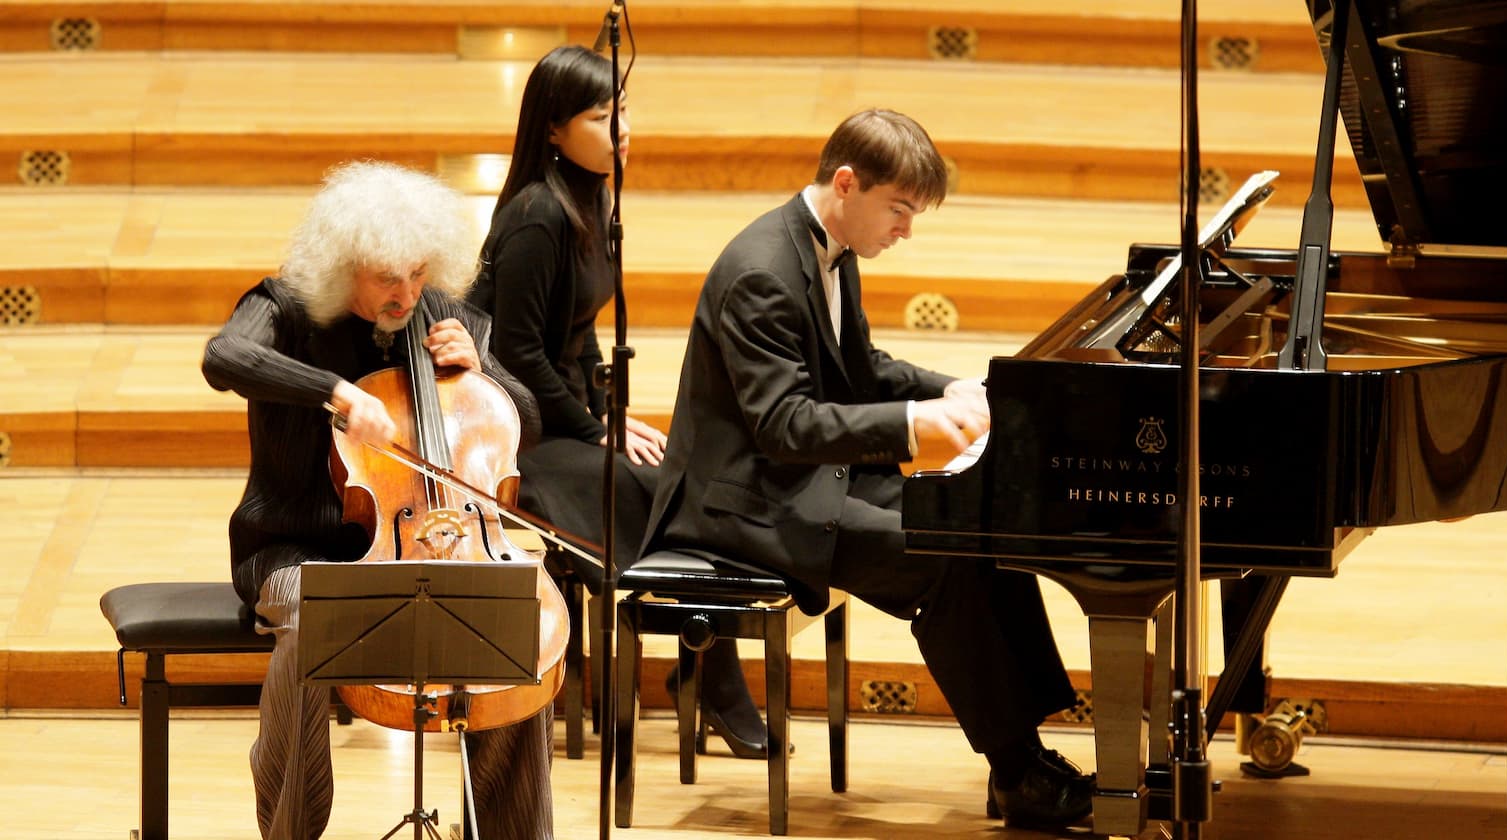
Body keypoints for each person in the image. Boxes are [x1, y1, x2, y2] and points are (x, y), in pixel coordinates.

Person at [641, 109, 1094, 829]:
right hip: (740, 501)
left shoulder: (832, 248)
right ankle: (1017, 773)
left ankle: (1024, 757)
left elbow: (862, 370)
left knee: (974, 523)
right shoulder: (761, 270)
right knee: (940, 561)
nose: (906, 230)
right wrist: (914, 427)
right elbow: (784, 424)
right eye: (901, 211)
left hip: (796, 477)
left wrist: (950, 387)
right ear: (847, 184)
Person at [202, 160, 556, 839]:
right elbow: (224, 359)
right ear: (344, 266)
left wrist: (487, 376)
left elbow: (529, 427)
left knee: (519, 628)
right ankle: (289, 831)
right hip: (292, 544)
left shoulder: (447, 318)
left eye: (419, 273)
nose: (407, 294)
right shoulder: (284, 308)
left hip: (436, 540)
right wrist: (334, 392)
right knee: (315, 620)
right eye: (387, 278)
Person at [467, 44, 770, 758]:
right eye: (602, 116)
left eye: (623, 111)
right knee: (657, 491)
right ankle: (711, 672)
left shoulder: (591, 197)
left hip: (564, 414)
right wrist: (590, 428)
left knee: (685, 475)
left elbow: (580, 334)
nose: (621, 128)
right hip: (517, 428)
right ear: (552, 129)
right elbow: (515, 357)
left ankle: (704, 661)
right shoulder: (540, 216)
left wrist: (608, 415)